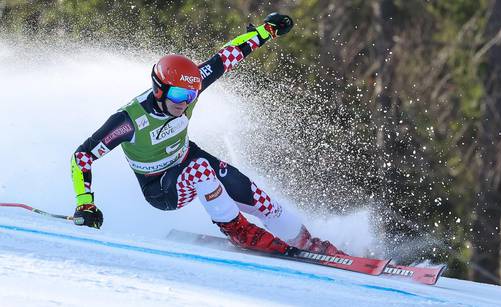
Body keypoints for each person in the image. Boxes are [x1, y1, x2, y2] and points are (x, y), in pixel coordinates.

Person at [71, 13, 346, 257]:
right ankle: (237, 229)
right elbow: (82, 156)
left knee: (256, 196)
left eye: (190, 95)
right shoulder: (130, 120)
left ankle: (306, 241)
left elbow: (227, 56)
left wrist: (266, 31)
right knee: (200, 169)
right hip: (160, 187)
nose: (184, 102)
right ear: (159, 90)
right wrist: (86, 204)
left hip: (188, 158)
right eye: (178, 95)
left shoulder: (189, 88)